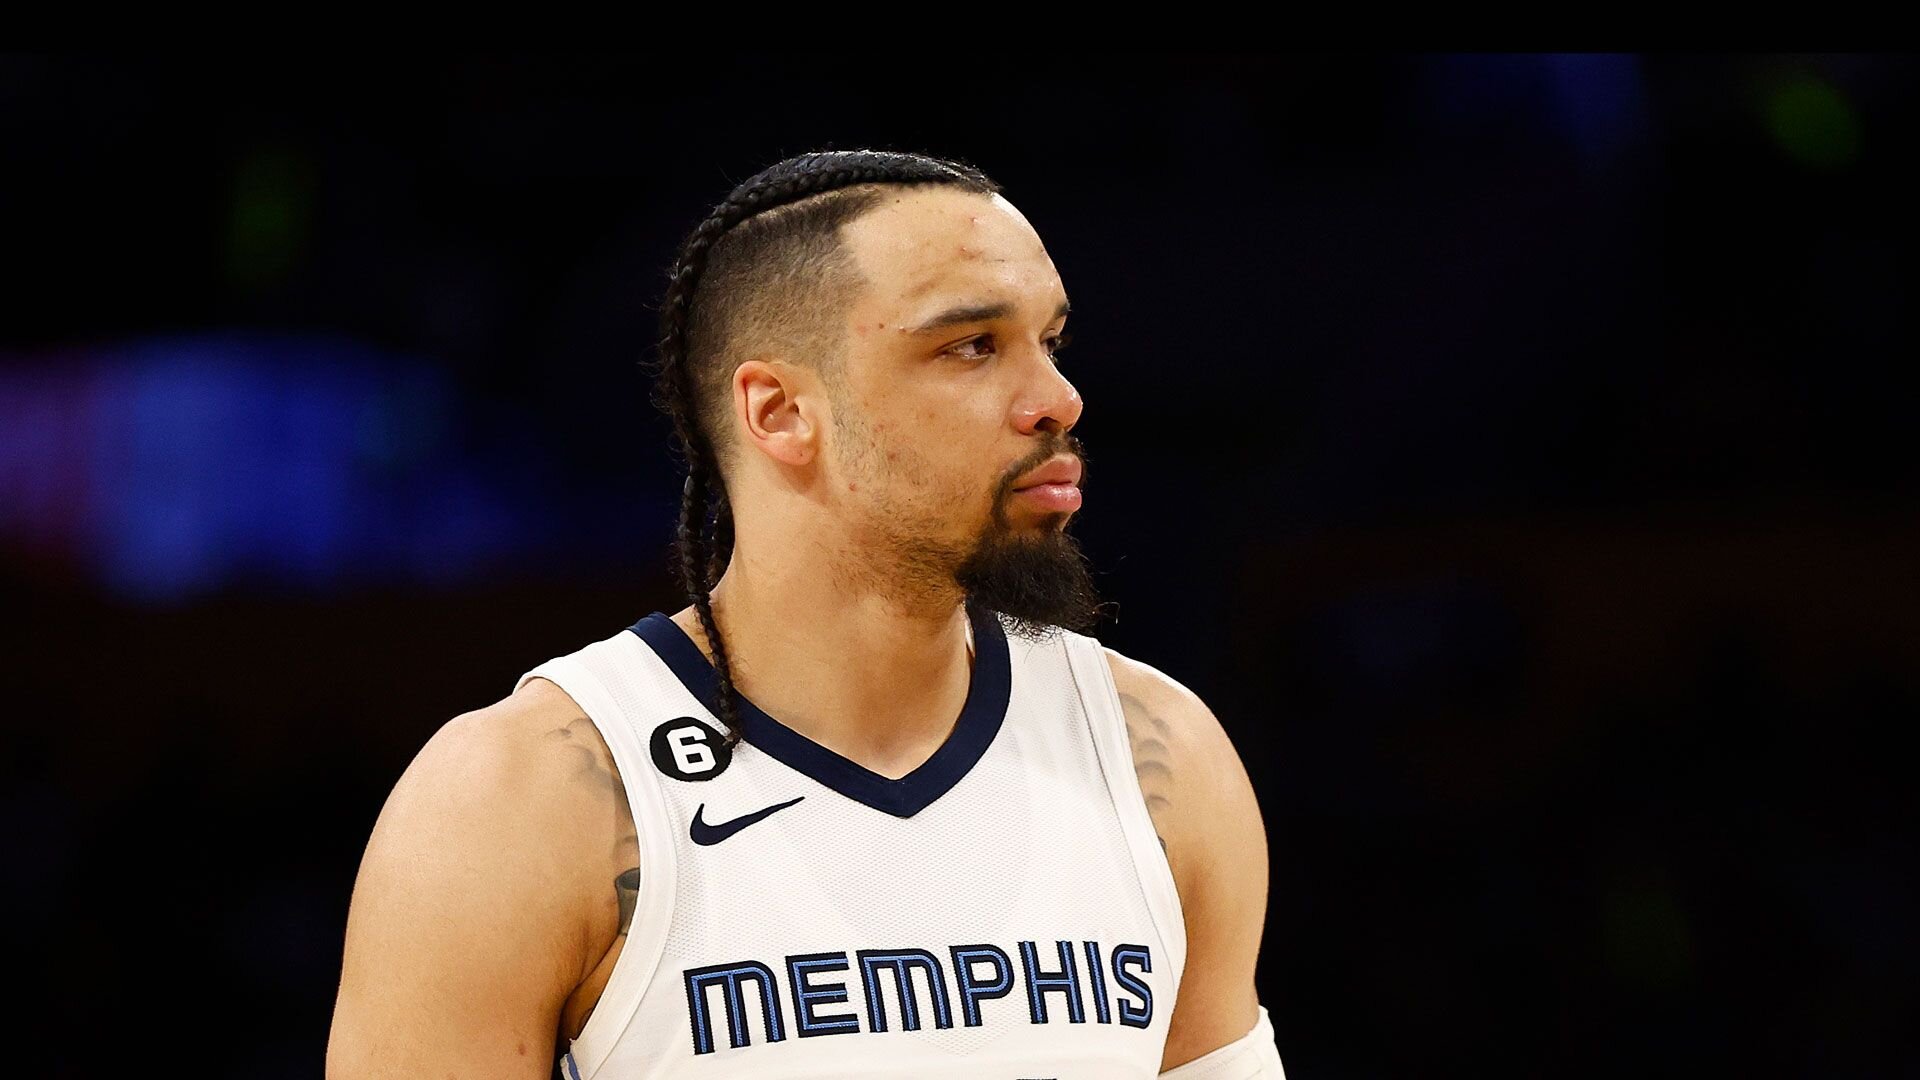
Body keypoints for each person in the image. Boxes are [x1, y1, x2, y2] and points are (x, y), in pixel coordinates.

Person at [327, 148, 1285, 1079]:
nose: (1056, 400)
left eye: (1052, 342)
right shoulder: (517, 798)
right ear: (780, 411)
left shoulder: (1160, 753)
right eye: (972, 346)